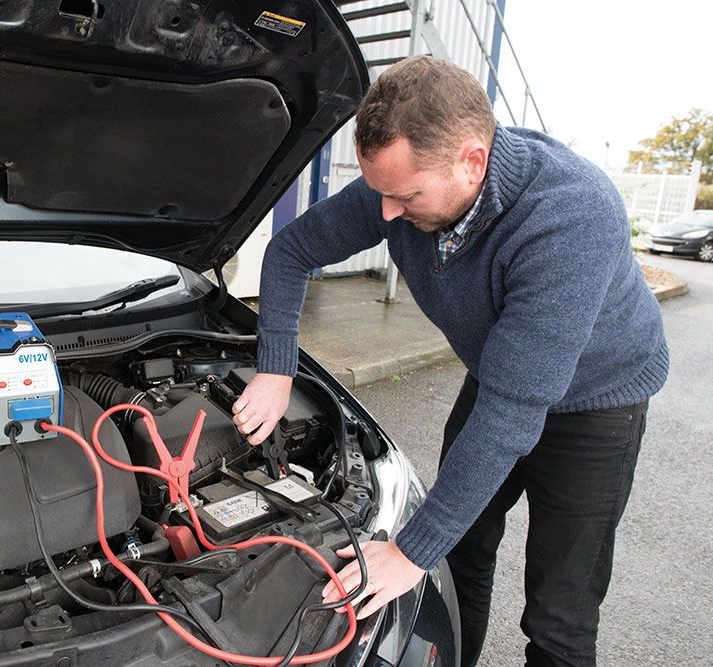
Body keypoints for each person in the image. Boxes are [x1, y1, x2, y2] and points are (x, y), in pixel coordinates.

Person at [230, 55, 667, 666]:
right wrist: (277, 367)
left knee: (559, 612)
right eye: (380, 191)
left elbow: (512, 417)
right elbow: (291, 249)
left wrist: (409, 553)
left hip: (596, 404)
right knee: (462, 559)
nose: (385, 213)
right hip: (501, 376)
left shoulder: (570, 216)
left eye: (404, 195)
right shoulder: (406, 183)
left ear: (472, 162)